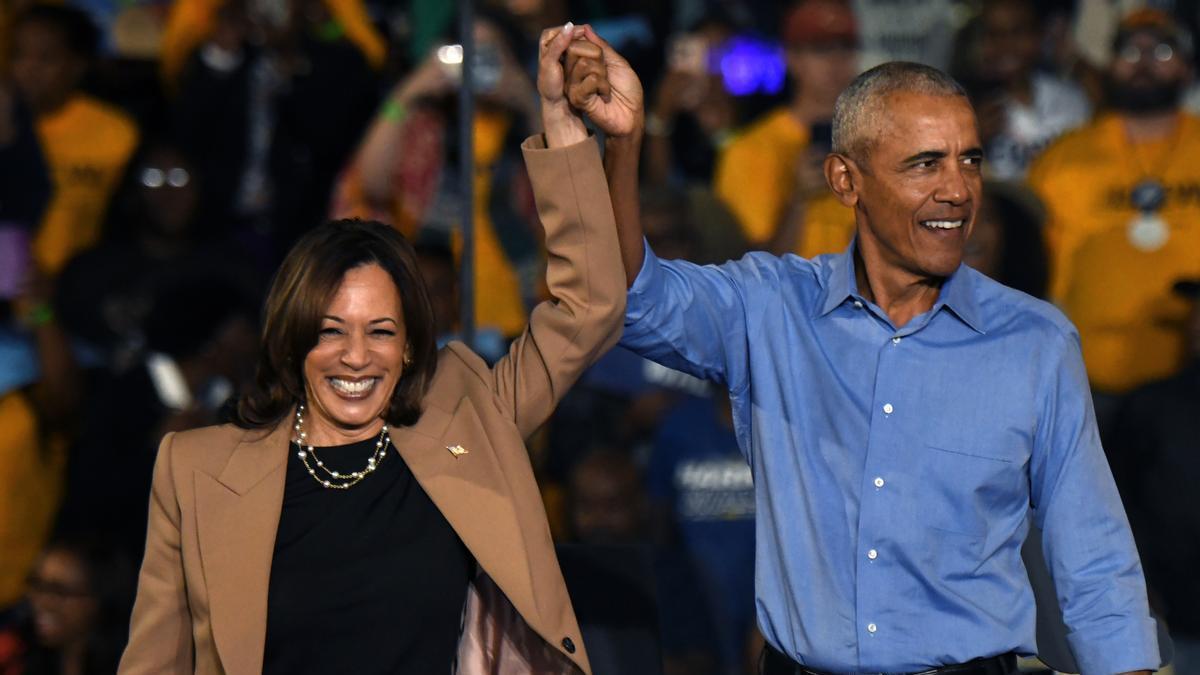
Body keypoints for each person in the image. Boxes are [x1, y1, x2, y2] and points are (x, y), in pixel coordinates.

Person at [568, 29, 1159, 673]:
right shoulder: (771, 309)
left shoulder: (1036, 343)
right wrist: (625, 144)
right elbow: (631, 296)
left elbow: (1094, 560)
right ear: (845, 180)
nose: (958, 190)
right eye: (925, 163)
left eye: (971, 160)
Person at [117, 23, 625, 674]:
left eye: (381, 330)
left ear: (412, 341)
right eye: (330, 330)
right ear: (291, 336)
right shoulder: (195, 469)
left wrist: (556, 121)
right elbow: (155, 661)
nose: (356, 356)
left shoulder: (466, 415)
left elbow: (590, 306)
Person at [1028, 8, 1200, 397]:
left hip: (1189, 387)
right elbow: (1027, 269)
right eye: (1129, 50)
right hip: (1086, 385)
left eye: (1162, 51)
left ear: (1188, 68)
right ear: (1108, 65)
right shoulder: (1063, 159)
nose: (1143, 63)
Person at [712, 0, 859, 258]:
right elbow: (746, 268)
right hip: (791, 296)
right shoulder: (749, 150)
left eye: (845, 47)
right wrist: (798, 199)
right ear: (791, 57)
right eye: (821, 49)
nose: (835, 62)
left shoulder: (873, 141)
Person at [1108, 279, 1200, 674]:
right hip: (1169, 621)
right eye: (1196, 313)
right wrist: (1139, 590)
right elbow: (1110, 506)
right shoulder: (1149, 406)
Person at [8, 3, 139, 276]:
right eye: (18, 55)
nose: (28, 69)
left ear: (77, 65)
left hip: (76, 292)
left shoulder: (116, 133)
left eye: (45, 59)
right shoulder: (5, 123)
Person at [966, 0, 1091, 181]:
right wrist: (974, 140)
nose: (1005, 45)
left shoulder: (1072, 100)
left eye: (1016, 33)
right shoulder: (966, 105)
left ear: (1039, 36)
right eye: (994, 34)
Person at [0, 533, 136, 675]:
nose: (42, 601)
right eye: (37, 585)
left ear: (99, 600)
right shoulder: (14, 658)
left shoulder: (133, 666)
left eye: (60, 591)